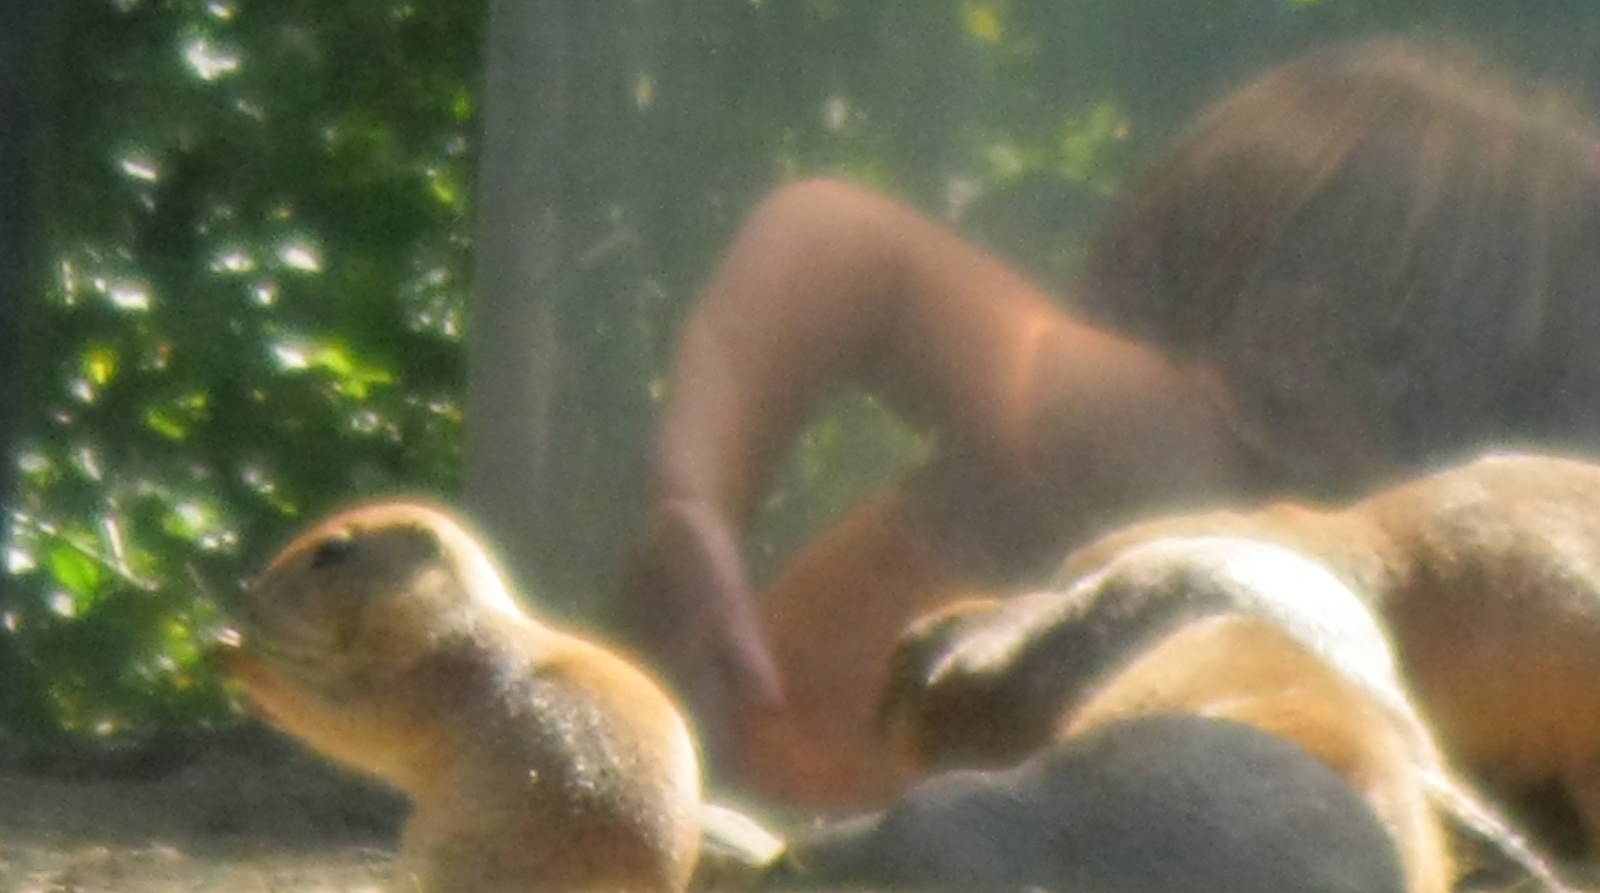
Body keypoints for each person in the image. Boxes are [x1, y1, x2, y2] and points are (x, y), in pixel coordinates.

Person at [618, 38, 1600, 811]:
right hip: (785, 805)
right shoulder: (1187, 448)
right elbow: (841, 245)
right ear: (1299, 346)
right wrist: (695, 505)